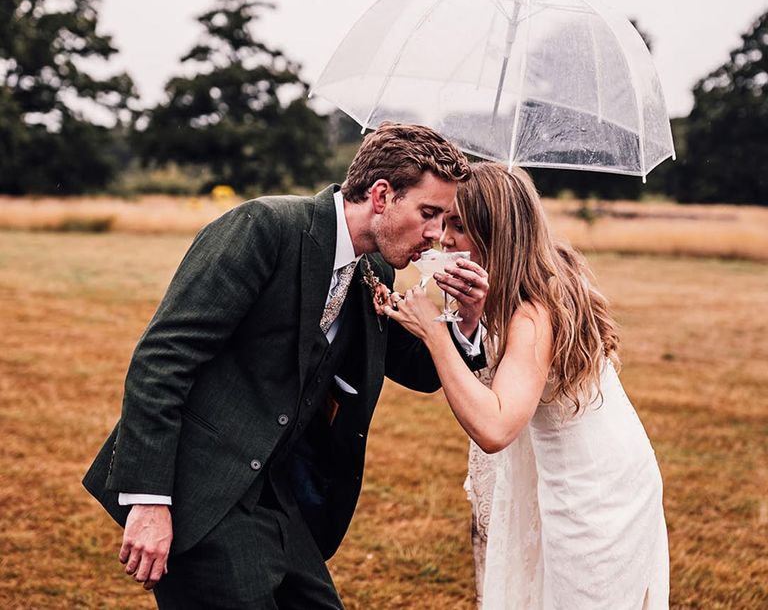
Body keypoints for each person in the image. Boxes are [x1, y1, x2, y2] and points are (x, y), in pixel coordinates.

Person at [83, 122, 488, 609]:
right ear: (381, 196)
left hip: (282, 499)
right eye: (429, 214)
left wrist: (466, 319)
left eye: (443, 219)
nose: (437, 235)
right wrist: (149, 501)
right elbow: (162, 360)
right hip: (201, 491)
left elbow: (420, 372)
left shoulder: (375, 269)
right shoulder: (264, 228)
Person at [384, 162, 669, 609]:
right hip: (573, 473)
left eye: (458, 225)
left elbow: (495, 427)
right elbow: (497, 372)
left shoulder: (535, 309)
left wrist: (434, 333)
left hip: (593, 491)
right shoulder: (524, 281)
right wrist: (470, 318)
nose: (443, 238)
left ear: (494, 230)